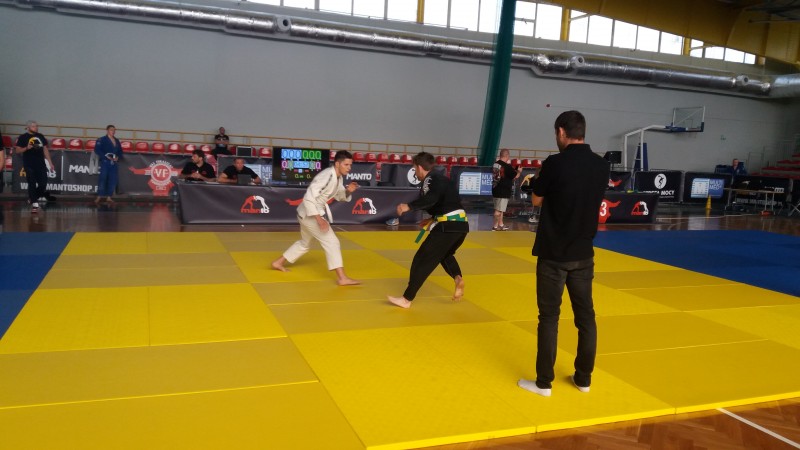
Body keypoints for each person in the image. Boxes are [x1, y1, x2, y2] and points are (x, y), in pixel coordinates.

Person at [518, 110, 609, 397]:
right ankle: (584, 379)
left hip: (554, 253)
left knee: (549, 318)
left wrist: (537, 180)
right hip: (584, 253)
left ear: (561, 131)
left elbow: (536, 200)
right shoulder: (602, 165)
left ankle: (544, 383)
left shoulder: (554, 163)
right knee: (586, 317)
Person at [388, 152, 468, 308]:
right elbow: (447, 203)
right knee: (445, 254)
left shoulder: (429, 179)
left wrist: (408, 206)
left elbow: (431, 199)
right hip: (461, 226)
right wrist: (432, 219)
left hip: (447, 227)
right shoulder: (442, 179)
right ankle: (458, 278)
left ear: (419, 167)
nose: (415, 172)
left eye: (414, 168)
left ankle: (406, 299)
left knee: (421, 260)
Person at [271, 150, 360, 286]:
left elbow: (339, 195)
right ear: (337, 164)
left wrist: (348, 191)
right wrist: (319, 220)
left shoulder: (338, 177)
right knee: (332, 242)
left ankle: (278, 262)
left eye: (350, 165)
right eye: (346, 165)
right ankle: (342, 278)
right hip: (310, 214)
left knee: (304, 244)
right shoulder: (327, 176)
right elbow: (308, 198)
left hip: (306, 213)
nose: (349, 168)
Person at [15, 121, 55, 213]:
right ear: (28, 127)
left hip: (40, 164)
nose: (36, 127)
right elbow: (17, 150)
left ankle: (32, 198)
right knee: (32, 183)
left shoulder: (40, 136)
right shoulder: (23, 137)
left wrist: (50, 162)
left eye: (37, 126)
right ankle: (35, 204)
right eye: (33, 126)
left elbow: (45, 149)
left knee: (43, 184)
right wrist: (26, 148)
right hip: (29, 164)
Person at [491, 148, 521, 230]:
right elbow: (515, 176)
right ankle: (495, 226)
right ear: (507, 155)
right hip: (503, 190)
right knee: (498, 210)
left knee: (500, 209)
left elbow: (504, 174)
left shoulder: (495, 164)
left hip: (495, 188)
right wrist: (519, 171)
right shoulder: (507, 166)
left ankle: (501, 224)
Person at [94, 125, 123, 204]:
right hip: (105, 162)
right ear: (107, 130)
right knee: (103, 178)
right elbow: (97, 149)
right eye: (111, 130)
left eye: (114, 130)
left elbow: (120, 151)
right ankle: (99, 196)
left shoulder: (116, 140)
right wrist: (105, 156)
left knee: (113, 179)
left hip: (114, 163)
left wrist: (118, 157)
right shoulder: (102, 139)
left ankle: (109, 197)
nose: (113, 131)